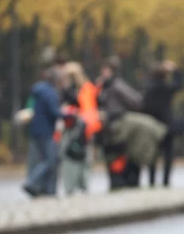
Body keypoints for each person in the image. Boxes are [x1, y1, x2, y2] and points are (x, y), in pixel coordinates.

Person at [96, 56, 144, 189]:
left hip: (116, 125)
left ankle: (119, 182)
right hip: (105, 127)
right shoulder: (102, 86)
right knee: (110, 156)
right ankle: (114, 182)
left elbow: (135, 101)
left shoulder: (117, 85)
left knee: (118, 155)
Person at [143, 60, 183, 187]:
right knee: (168, 155)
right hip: (166, 126)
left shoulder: (149, 88)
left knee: (153, 155)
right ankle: (166, 181)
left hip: (152, 125)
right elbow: (180, 84)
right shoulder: (166, 88)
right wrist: (176, 70)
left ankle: (152, 182)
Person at [23, 67, 62, 198]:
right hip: (46, 131)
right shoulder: (50, 93)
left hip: (35, 129)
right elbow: (54, 112)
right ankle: (31, 182)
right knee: (49, 160)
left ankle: (46, 189)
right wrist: (68, 114)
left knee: (42, 159)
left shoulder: (38, 90)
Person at [59, 63, 92, 195]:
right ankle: (81, 185)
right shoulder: (87, 88)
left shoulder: (81, 90)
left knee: (72, 157)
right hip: (81, 128)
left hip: (77, 127)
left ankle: (74, 186)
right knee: (80, 157)